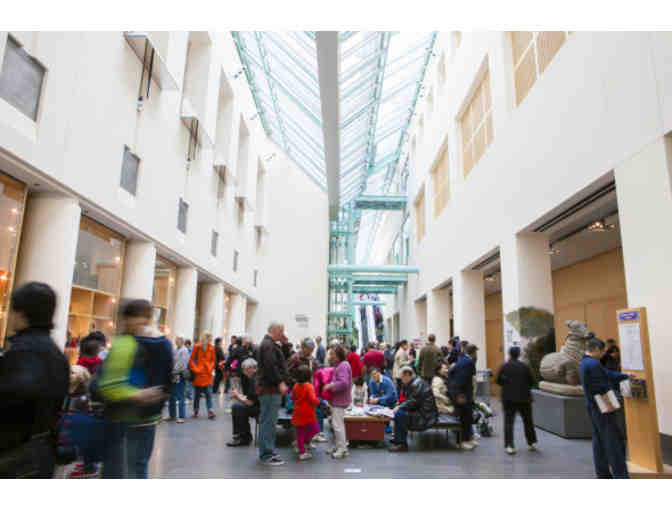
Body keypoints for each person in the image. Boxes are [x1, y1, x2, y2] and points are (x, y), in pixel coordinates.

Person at [0, 282, 70, 478]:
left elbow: (14, 397)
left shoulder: (23, 351)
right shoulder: (57, 354)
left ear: (21, 314)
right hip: (42, 451)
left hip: (16, 455)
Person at [98, 299, 172, 478]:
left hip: (125, 417)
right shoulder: (163, 343)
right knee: (136, 468)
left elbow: (108, 385)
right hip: (146, 417)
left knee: (123, 470)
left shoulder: (126, 343)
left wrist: (138, 395)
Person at [579, 338, 630, 479]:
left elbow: (607, 374)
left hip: (593, 407)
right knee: (613, 442)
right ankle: (621, 475)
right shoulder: (593, 363)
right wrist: (615, 399)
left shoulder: (584, 363)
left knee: (599, 442)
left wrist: (625, 376)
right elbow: (602, 386)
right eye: (601, 352)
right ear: (596, 349)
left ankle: (602, 473)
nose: (602, 355)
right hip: (603, 407)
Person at [256, 321, 289, 466]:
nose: (283, 334)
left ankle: (268, 450)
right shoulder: (268, 345)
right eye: (281, 331)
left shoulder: (269, 344)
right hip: (270, 389)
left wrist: (285, 344)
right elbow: (271, 366)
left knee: (269, 422)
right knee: (268, 422)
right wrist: (279, 382)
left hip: (270, 389)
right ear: (275, 330)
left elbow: (278, 362)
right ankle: (267, 454)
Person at [495, 346, 538, 455]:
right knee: (528, 421)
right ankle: (531, 442)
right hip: (524, 398)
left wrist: (506, 383)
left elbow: (498, 381)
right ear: (519, 354)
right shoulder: (525, 366)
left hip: (508, 399)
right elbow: (532, 382)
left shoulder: (504, 366)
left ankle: (509, 445)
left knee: (508, 422)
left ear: (509, 354)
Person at [388, 366, 438, 452]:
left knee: (400, 414)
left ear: (407, 375)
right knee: (398, 412)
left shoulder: (417, 384)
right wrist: (398, 405)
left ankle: (402, 444)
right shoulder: (411, 383)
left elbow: (413, 401)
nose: (401, 380)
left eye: (402, 377)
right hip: (418, 410)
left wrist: (399, 406)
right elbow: (406, 399)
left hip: (425, 414)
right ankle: (398, 439)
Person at [324, 344, 352, 459]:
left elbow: (344, 383)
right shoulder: (341, 365)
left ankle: (342, 449)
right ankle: (339, 446)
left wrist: (330, 386)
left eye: (332, 354)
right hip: (337, 400)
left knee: (337, 425)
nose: (330, 357)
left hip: (339, 400)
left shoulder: (343, 366)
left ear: (338, 355)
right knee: (337, 424)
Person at [449, 343, 478, 450]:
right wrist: (460, 394)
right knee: (465, 418)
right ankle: (463, 441)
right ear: (473, 352)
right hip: (462, 393)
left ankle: (466, 439)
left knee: (465, 417)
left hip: (459, 392)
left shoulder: (461, 360)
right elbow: (462, 379)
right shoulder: (469, 362)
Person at [226, 358, 259, 447]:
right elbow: (250, 398)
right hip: (261, 405)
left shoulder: (254, 380)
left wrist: (237, 396)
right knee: (238, 406)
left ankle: (243, 437)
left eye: (245, 370)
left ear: (250, 369)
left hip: (261, 408)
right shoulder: (255, 378)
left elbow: (250, 402)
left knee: (237, 407)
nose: (244, 373)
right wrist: (239, 395)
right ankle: (243, 435)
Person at [290, 365, 320, 460]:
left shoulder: (295, 386)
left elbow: (292, 397)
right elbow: (312, 399)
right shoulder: (309, 386)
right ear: (308, 376)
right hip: (308, 412)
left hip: (297, 411)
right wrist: (319, 402)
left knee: (300, 432)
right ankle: (303, 443)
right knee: (315, 429)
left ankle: (302, 450)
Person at [190, 332, 216, 419]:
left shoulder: (211, 348)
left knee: (209, 394)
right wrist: (196, 369)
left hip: (208, 374)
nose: (211, 339)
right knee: (197, 395)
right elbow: (191, 360)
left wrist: (210, 368)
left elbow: (213, 360)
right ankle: (196, 411)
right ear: (206, 337)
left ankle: (210, 411)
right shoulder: (197, 346)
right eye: (210, 337)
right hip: (199, 374)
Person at [168, 337, 189, 423]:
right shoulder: (176, 349)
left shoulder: (184, 350)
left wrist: (173, 371)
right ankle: (172, 415)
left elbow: (181, 364)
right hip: (173, 375)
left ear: (181, 341)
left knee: (181, 396)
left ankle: (181, 416)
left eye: (177, 340)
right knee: (172, 396)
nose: (176, 341)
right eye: (176, 340)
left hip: (179, 375)